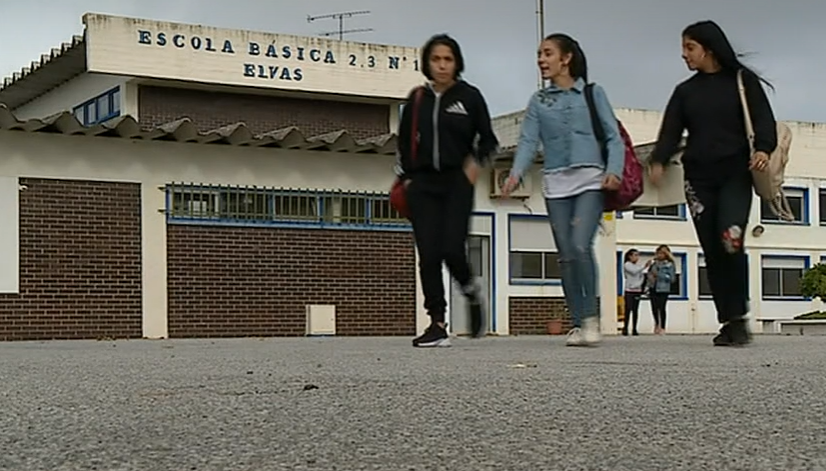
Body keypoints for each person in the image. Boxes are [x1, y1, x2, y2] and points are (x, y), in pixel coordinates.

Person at [648, 20, 777, 346]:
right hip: (699, 181)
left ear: (709, 47)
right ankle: (730, 320)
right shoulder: (685, 92)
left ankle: (739, 315)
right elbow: (670, 133)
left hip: (735, 174)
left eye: (690, 48)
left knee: (730, 240)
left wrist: (763, 149)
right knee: (712, 249)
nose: (684, 55)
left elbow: (764, 122)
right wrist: (659, 161)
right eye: (683, 49)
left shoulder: (742, 81)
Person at [502, 33, 624, 347]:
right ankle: (578, 322)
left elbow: (613, 137)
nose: (541, 60)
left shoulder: (593, 93)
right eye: (539, 54)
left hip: (590, 180)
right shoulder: (539, 101)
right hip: (556, 183)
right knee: (567, 255)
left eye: (547, 53)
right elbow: (529, 141)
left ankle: (591, 318)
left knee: (581, 245)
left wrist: (614, 170)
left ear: (566, 58)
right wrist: (515, 174)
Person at [394, 34, 499, 348]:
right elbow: (403, 143)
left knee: (452, 248)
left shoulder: (470, 97)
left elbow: (489, 141)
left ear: (457, 63)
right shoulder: (416, 100)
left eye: (448, 59)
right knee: (428, 254)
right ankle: (437, 323)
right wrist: (408, 178)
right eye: (436, 59)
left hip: (457, 182)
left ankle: (470, 290)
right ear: (427, 62)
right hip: (422, 184)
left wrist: (475, 165)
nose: (441, 65)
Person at [647, 245, 675, 335]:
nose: (659, 255)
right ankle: (656, 324)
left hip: (663, 288)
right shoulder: (654, 263)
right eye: (658, 253)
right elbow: (649, 273)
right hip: (653, 287)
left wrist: (659, 275)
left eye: (662, 253)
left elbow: (672, 278)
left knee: (661, 307)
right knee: (654, 307)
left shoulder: (669, 265)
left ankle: (662, 326)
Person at [622, 249, 646, 336]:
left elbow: (641, 277)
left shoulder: (638, 266)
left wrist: (639, 285)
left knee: (636, 310)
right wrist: (644, 266)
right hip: (629, 290)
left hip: (637, 290)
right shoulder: (627, 265)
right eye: (635, 255)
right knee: (628, 309)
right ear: (630, 256)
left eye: (638, 255)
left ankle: (634, 328)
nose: (637, 257)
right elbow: (634, 272)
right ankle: (625, 328)